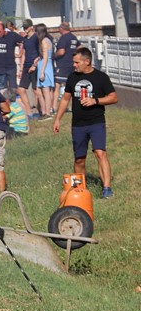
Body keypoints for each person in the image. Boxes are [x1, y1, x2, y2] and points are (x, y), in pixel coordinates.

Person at [53, 47, 118, 199]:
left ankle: (107, 188)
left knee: (100, 153)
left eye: (77, 62)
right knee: (79, 158)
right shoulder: (72, 77)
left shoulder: (101, 77)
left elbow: (113, 97)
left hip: (96, 122)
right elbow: (65, 99)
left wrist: (95, 101)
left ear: (87, 61)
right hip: (78, 124)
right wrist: (57, 119)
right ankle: (80, 190)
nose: (74, 65)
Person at [53, 21, 81, 112]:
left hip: (63, 64)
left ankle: (54, 107)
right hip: (72, 64)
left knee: (57, 85)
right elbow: (80, 48)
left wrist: (54, 55)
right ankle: (73, 106)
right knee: (71, 85)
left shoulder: (63, 38)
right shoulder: (73, 37)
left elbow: (61, 52)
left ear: (61, 29)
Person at [17, 19, 40, 119]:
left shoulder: (36, 38)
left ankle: (40, 111)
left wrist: (34, 65)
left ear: (31, 27)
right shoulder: (25, 39)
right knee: (21, 89)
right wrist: (21, 69)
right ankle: (29, 112)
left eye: (27, 27)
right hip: (26, 65)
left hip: (35, 65)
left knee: (36, 90)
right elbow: (24, 54)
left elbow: (41, 53)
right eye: (24, 27)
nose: (25, 29)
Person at [35, 23, 55, 119]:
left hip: (45, 67)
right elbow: (44, 55)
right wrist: (38, 58)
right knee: (41, 90)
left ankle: (47, 113)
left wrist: (42, 71)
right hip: (45, 65)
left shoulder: (44, 41)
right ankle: (47, 110)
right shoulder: (48, 40)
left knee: (45, 90)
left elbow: (46, 57)